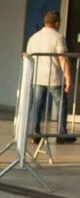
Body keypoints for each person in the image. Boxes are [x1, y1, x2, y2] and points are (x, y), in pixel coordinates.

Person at [27, 10, 76, 145]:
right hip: (54, 78)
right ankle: (61, 134)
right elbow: (62, 58)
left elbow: (29, 58)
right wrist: (68, 78)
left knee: (37, 106)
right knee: (61, 105)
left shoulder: (34, 37)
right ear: (57, 23)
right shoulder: (58, 37)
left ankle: (35, 134)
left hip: (37, 77)